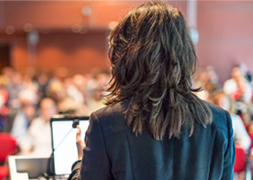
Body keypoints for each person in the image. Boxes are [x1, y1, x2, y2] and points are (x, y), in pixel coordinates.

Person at [69, 2, 234, 180]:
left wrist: (80, 162)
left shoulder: (106, 123)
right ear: (184, 53)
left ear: (124, 56)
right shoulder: (219, 121)